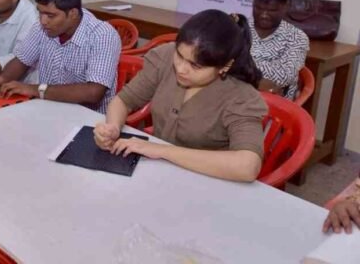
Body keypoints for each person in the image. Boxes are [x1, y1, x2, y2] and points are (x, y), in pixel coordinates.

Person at [94, 10, 267, 182]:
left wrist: (161, 150)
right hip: (159, 174)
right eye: (179, 55)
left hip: (207, 182)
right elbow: (124, 100)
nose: (181, 68)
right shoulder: (166, 56)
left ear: (225, 66)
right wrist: (113, 128)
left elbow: (247, 166)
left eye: (195, 66)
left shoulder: (241, 96)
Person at [0, 0, 121, 114]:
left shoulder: (102, 35)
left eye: (50, 15)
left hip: (90, 123)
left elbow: (93, 93)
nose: (43, 21)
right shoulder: (42, 27)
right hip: (49, 112)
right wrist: (1, 80)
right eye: (40, 12)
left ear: (73, 14)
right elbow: (21, 61)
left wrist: (34, 89)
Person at [249, 0, 309, 99]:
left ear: (286, 6)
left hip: (275, 109)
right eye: (258, 8)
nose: (264, 15)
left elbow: (284, 76)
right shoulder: (238, 28)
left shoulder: (296, 37)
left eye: (272, 10)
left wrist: (239, 65)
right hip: (234, 100)